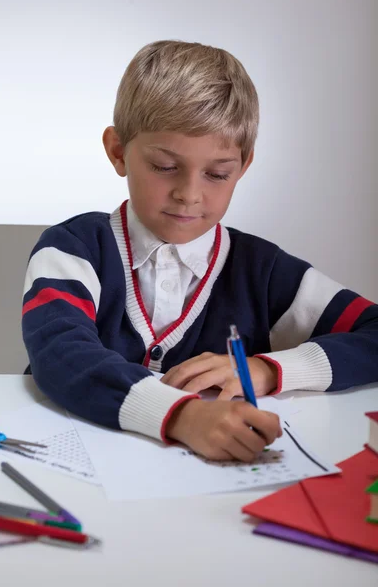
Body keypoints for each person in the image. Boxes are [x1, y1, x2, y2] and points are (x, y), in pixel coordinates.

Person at [22, 40, 378, 462]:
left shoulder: (261, 272)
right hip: (72, 470)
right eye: (165, 167)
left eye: (217, 174)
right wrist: (181, 417)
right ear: (118, 151)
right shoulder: (73, 249)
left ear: (243, 167)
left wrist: (267, 370)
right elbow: (59, 352)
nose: (189, 194)